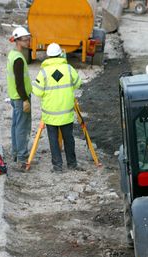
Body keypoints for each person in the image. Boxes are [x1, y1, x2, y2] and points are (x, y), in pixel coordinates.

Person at [32, 43, 82, 173]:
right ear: (61, 54)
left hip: (51, 114)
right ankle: (72, 163)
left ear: (48, 56)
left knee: (53, 140)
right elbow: (77, 83)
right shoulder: (69, 69)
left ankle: (57, 166)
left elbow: (37, 92)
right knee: (69, 138)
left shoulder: (43, 72)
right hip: (66, 112)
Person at [7, 26, 33, 170]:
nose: (28, 41)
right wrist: (25, 100)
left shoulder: (13, 54)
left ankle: (16, 153)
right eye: (25, 39)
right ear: (17, 41)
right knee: (22, 127)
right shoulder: (18, 59)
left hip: (14, 97)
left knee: (16, 126)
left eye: (28, 39)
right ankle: (22, 158)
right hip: (20, 97)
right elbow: (19, 82)